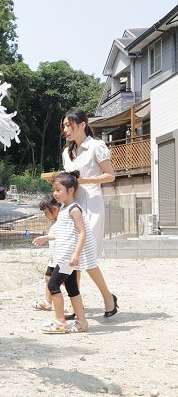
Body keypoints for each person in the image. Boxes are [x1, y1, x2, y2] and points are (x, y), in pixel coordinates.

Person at [61, 109, 119, 318]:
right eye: (64, 126)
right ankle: (75, 305)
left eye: (69, 125)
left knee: (86, 255)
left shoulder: (96, 146)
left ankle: (108, 298)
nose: (66, 129)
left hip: (92, 204)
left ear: (83, 124)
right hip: (72, 205)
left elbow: (110, 176)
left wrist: (84, 181)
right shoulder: (66, 153)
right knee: (71, 256)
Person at [39, 171, 96, 333]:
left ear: (70, 190)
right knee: (72, 290)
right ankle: (82, 322)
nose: (55, 194)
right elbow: (62, 233)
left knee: (53, 284)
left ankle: (60, 322)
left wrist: (76, 254)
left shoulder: (74, 209)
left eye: (58, 190)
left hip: (67, 257)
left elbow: (82, 232)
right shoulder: (64, 209)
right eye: (54, 190)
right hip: (64, 257)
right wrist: (46, 238)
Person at [31, 194, 61, 312]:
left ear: (54, 209)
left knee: (66, 284)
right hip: (54, 258)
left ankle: (73, 307)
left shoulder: (64, 220)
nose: (45, 215)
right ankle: (48, 303)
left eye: (46, 212)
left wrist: (45, 238)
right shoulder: (56, 221)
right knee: (48, 277)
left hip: (63, 258)